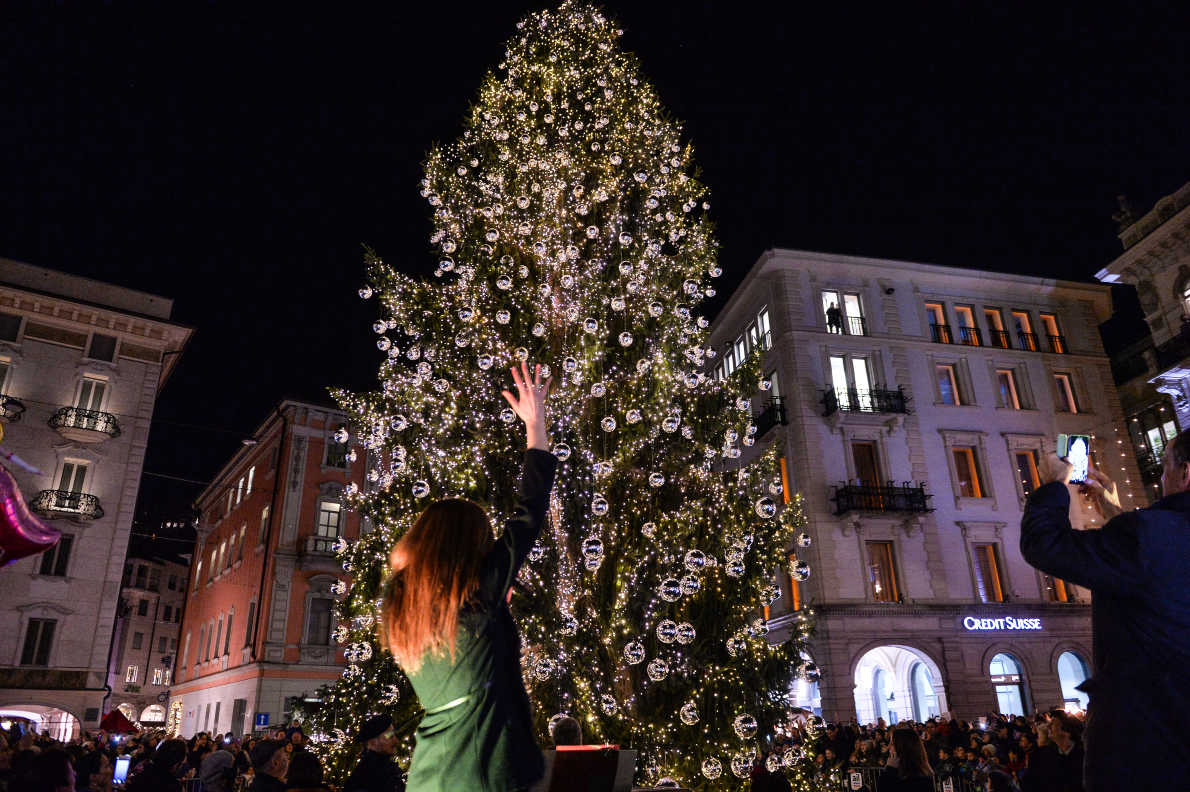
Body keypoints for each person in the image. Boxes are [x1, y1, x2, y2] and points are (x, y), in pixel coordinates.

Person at [379, 362, 556, 792]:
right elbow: (529, 512)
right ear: (468, 547)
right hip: (487, 771)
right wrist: (536, 425)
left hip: (431, 773)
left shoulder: (401, 602)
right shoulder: (477, 594)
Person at [1020, 435, 1190, 792]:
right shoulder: (1157, 535)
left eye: (1165, 468)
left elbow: (1046, 545)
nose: (1162, 479)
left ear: (1185, 473)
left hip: (1149, 743)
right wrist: (1117, 516)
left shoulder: (1153, 534)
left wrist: (1054, 486)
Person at [344, 714, 405, 792]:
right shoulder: (365, 776)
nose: (396, 741)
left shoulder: (389, 770)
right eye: (390, 737)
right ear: (372, 742)